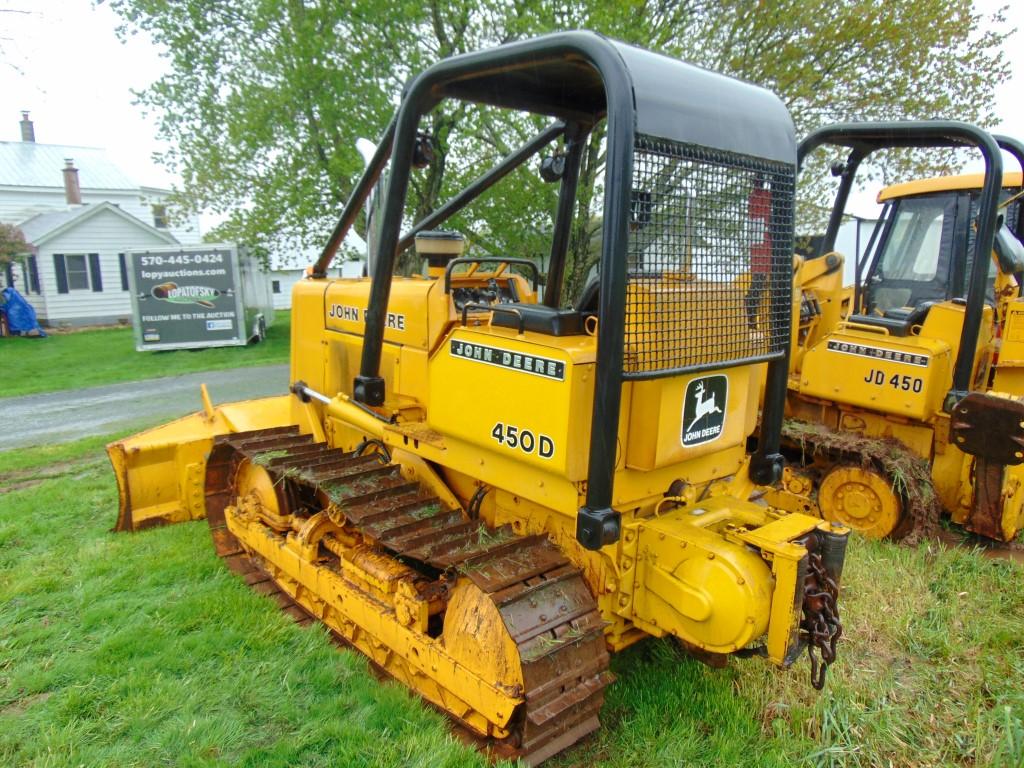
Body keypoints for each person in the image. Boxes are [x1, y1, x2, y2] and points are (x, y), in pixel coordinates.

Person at [745, 173, 772, 332]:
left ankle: (752, 323)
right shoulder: (760, 200)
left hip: (761, 253)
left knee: (758, 285)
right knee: (758, 286)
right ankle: (751, 323)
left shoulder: (757, 200)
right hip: (762, 254)